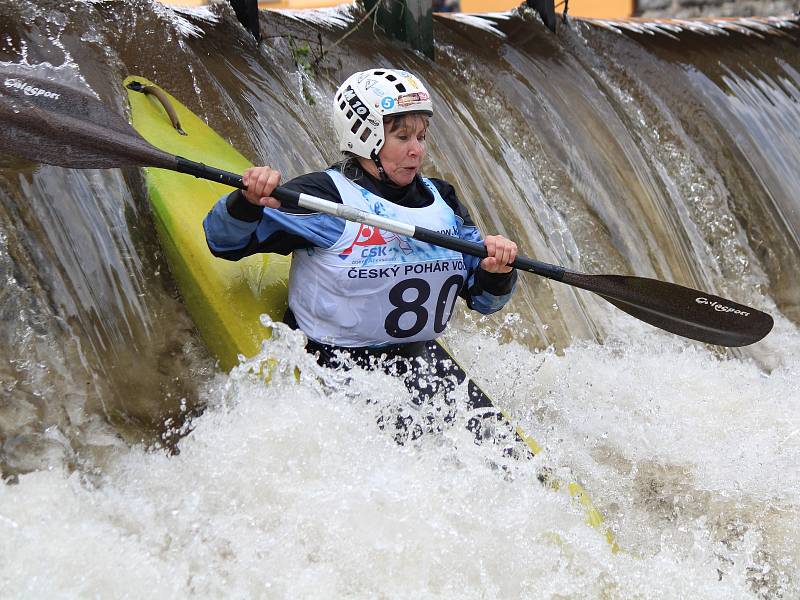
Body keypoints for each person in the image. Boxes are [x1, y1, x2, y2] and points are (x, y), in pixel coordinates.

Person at [203, 68, 520, 444]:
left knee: (508, 463)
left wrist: (496, 271)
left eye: (421, 136)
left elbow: (483, 300)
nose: (416, 150)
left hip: (420, 359)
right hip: (332, 364)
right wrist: (246, 201)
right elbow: (224, 243)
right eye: (402, 137)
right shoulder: (326, 198)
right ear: (365, 136)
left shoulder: (442, 201)